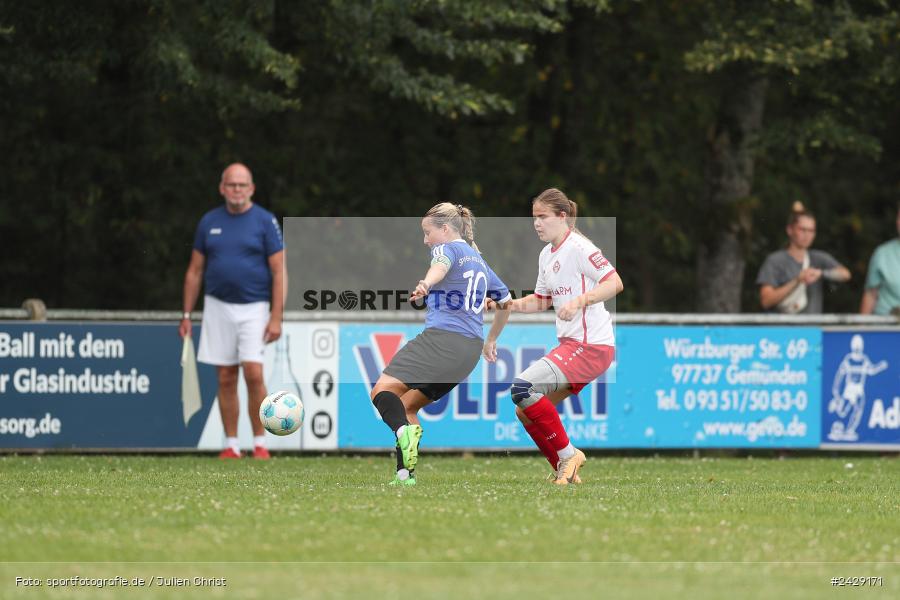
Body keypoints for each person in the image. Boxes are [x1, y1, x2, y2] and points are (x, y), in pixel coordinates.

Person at [484, 188, 623, 485]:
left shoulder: (580, 248)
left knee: (522, 387)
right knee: (525, 411)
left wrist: (579, 301)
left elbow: (615, 282)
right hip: (574, 346)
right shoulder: (547, 254)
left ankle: (569, 454)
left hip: (591, 346)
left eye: (542, 217)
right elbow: (542, 299)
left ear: (563, 216)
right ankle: (566, 470)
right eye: (534, 217)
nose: (536, 223)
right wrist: (504, 304)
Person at [370, 203, 511, 486]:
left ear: (445, 229)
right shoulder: (479, 261)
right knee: (408, 407)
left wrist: (426, 283)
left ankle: (401, 433)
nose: (426, 240)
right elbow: (506, 303)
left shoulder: (447, 248)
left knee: (382, 391)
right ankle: (404, 475)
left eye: (427, 232)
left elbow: (440, 265)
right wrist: (491, 340)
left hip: (442, 340)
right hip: (469, 352)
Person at [179, 163, 286, 460]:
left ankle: (260, 443)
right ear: (222, 188)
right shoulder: (208, 221)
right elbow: (194, 271)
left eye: (242, 185)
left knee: (253, 373)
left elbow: (279, 271)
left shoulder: (265, 221)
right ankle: (231, 444)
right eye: (231, 185)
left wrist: (276, 316)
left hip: (255, 307)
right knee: (226, 376)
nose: (237, 190)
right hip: (217, 307)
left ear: (251, 188)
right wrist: (186, 315)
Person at [757, 202, 851, 314]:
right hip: (783, 330)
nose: (807, 235)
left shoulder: (818, 258)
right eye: (802, 229)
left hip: (812, 330)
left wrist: (821, 274)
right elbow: (766, 301)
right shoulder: (775, 260)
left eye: (811, 231)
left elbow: (846, 274)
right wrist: (797, 280)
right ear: (790, 230)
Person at [860, 203, 900, 316]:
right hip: (886, 325)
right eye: (899, 217)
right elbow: (870, 294)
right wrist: (860, 328)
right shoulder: (882, 253)